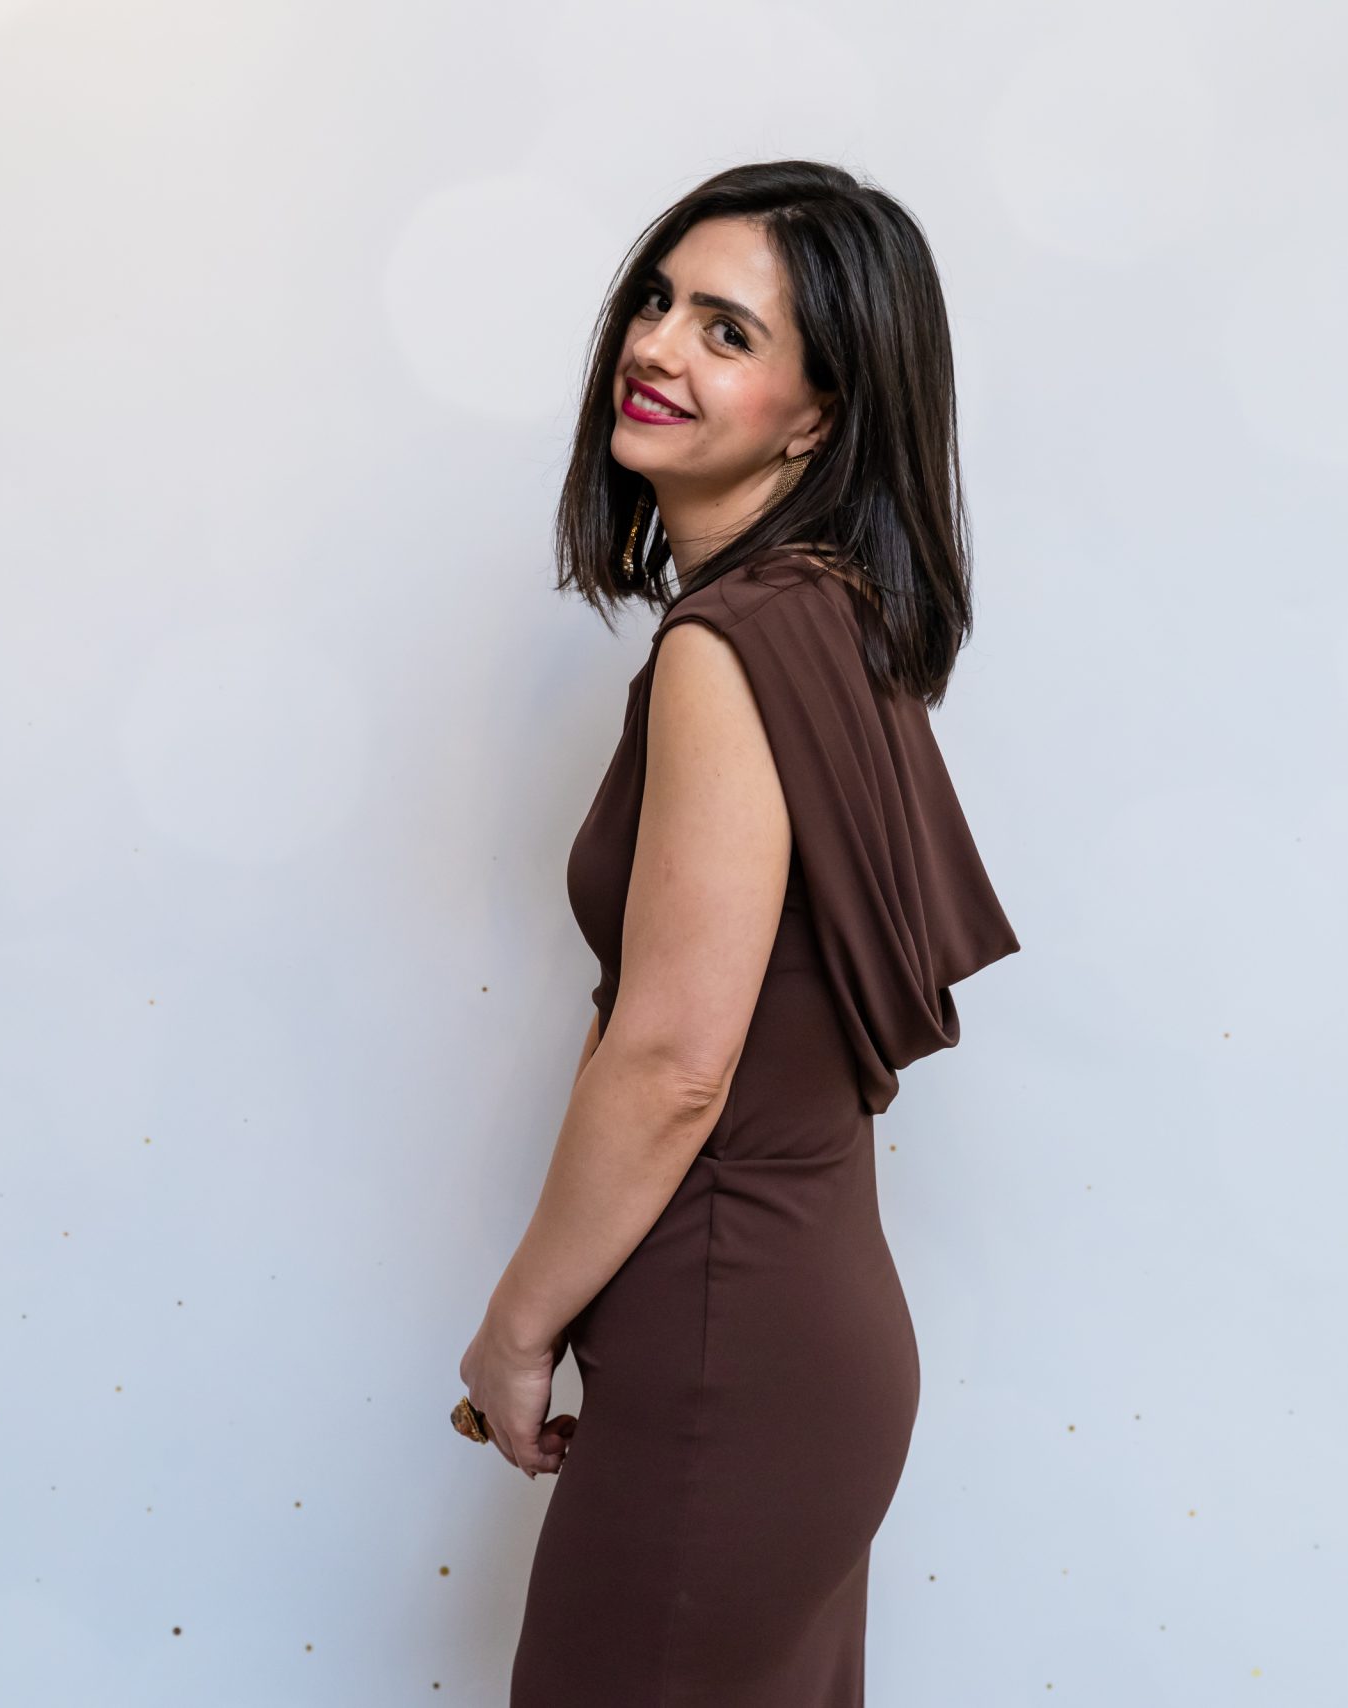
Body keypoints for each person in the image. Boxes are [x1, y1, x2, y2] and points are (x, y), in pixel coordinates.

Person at [456, 159, 1023, 1706]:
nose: (655, 346)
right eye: (657, 302)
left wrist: (515, 1331)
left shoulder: (732, 645)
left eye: (728, 331)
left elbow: (671, 1063)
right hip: (795, 1338)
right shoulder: (831, 620)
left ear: (817, 417)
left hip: (730, 1352)